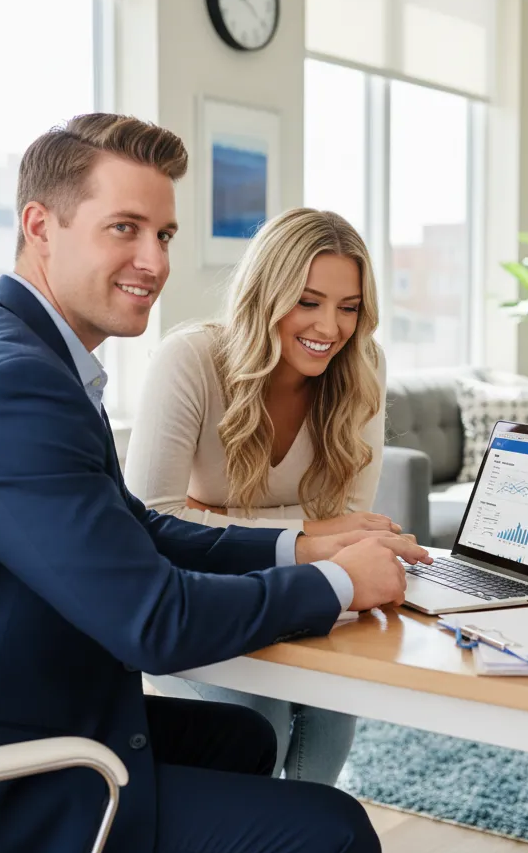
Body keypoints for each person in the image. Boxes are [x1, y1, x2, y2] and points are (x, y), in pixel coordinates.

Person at [0, 113, 430, 853]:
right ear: (41, 226)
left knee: (240, 738)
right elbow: (154, 623)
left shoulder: (34, 358)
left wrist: (295, 548)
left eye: (162, 235)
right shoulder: (12, 385)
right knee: (335, 832)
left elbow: (142, 529)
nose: (153, 261)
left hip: (1, 712)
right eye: (124, 228)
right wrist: (335, 585)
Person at [124, 208, 393, 786]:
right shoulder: (191, 361)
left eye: (349, 308)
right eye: (308, 300)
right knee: (258, 721)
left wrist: (223, 517)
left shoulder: (362, 372)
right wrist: (314, 533)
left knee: (331, 713)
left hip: (303, 600)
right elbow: (148, 520)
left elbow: (351, 526)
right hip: (201, 606)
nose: (330, 327)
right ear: (266, 293)